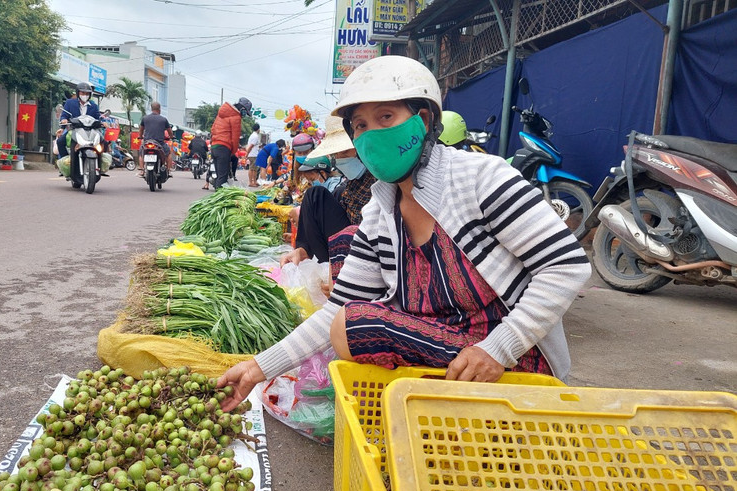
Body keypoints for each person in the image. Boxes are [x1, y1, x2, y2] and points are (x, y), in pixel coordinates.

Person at [217, 55, 592, 411]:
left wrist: (498, 348)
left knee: (356, 325)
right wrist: (256, 369)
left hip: (513, 359)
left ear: (424, 120)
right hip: (443, 352)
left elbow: (566, 266)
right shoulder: (380, 212)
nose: (372, 134)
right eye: (361, 125)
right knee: (348, 324)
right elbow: (339, 307)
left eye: (386, 116)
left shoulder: (481, 177)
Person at [279, 115, 377, 266]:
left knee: (317, 194)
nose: (340, 158)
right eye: (336, 154)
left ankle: (336, 267)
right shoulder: (349, 185)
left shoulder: (377, 177)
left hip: (367, 250)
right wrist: (303, 246)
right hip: (345, 243)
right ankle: (306, 252)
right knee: (316, 195)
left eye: (344, 153)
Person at [58, 82, 101, 188]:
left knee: (103, 142)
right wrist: (63, 120)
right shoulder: (69, 103)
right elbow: (64, 115)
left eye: (87, 93)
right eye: (82, 92)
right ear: (78, 93)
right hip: (74, 130)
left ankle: (101, 166)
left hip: (90, 131)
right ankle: (66, 165)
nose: (85, 95)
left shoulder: (94, 106)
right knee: (60, 142)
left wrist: (102, 122)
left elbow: (98, 118)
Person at [210, 97, 252, 189]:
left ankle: (217, 195)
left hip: (214, 147)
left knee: (219, 175)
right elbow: (235, 137)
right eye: (245, 112)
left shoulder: (221, 113)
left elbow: (212, 129)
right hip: (224, 147)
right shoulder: (236, 116)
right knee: (223, 177)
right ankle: (219, 199)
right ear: (242, 108)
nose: (244, 114)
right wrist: (233, 151)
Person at [138, 101, 174, 177]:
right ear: (159, 109)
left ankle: (141, 170)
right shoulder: (163, 119)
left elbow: (141, 130)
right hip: (159, 143)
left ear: (151, 109)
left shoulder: (145, 118)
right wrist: (171, 137)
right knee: (169, 153)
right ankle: (168, 170)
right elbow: (170, 132)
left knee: (141, 153)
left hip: (147, 142)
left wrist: (140, 136)